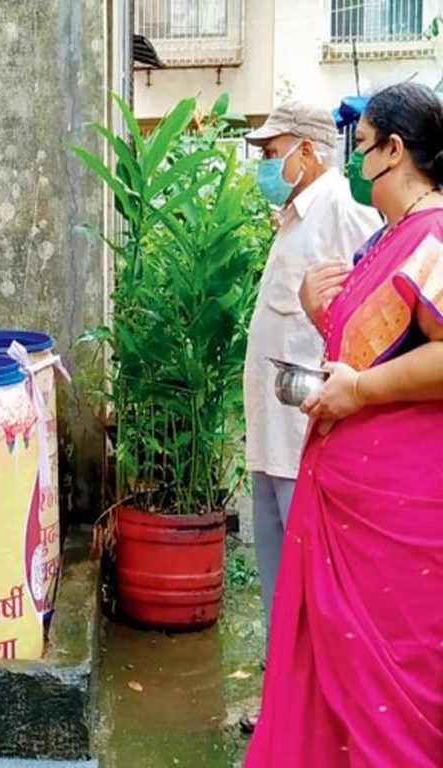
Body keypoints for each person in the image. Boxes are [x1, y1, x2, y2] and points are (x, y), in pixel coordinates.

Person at [245, 82, 443, 767]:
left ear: (396, 150)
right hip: (347, 494)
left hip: (396, 510)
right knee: (332, 679)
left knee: (389, 693)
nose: (355, 164)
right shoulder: (392, 239)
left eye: (362, 149)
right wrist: (314, 309)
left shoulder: (434, 237)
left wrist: (361, 391)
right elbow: (367, 348)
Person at [240, 100, 381, 729]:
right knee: (277, 581)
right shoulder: (294, 216)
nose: (268, 166)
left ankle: (315, 712)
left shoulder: (341, 213)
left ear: (309, 152)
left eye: (275, 154)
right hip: (272, 439)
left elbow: (376, 302)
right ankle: (282, 707)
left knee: (309, 585)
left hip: (304, 434)